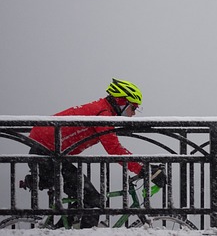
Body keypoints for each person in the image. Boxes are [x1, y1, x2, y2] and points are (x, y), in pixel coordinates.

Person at [27, 78, 165, 228]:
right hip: (46, 154)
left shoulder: (103, 110)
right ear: (121, 102)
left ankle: (63, 229)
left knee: (81, 196)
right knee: (94, 200)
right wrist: (144, 169)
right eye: (133, 107)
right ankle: (82, 231)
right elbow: (114, 149)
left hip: (48, 153)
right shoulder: (102, 114)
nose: (133, 114)